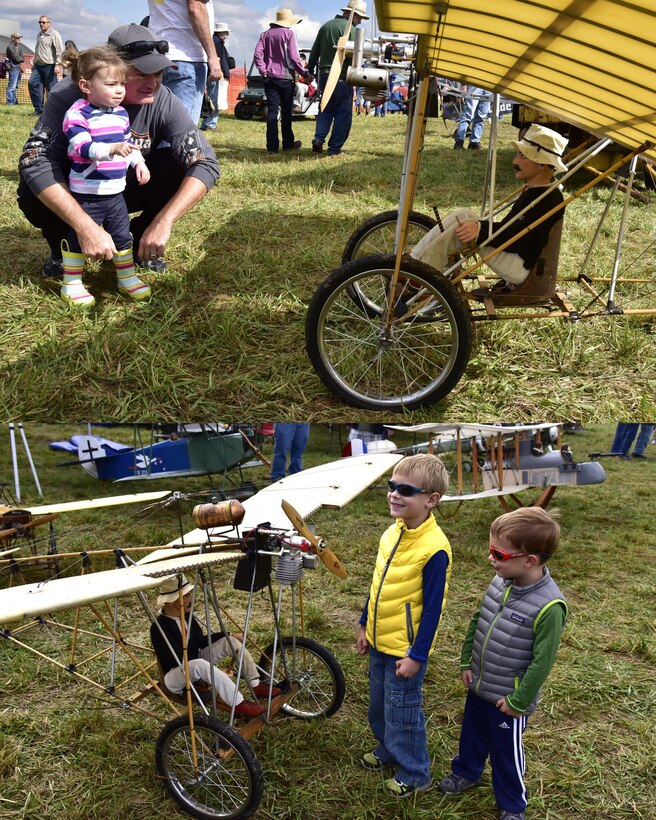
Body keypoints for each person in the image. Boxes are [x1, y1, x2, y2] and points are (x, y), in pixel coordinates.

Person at [17, 23, 220, 279]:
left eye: (158, 73)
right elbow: (34, 160)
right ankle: (63, 247)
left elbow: (205, 162)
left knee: (177, 166)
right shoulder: (68, 96)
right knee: (32, 182)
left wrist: (163, 222)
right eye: (142, 73)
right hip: (80, 185)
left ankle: (138, 245)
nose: (153, 82)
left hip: (121, 187)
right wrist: (85, 226)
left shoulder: (164, 99)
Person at [438, 507, 567, 820]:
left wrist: (519, 701)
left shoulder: (550, 606)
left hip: (507, 698)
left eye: (497, 552)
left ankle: (512, 804)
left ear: (529, 560)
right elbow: (477, 620)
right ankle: (467, 770)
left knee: (505, 751)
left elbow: (542, 662)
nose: (490, 558)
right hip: (481, 682)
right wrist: (466, 660)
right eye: (490, 550)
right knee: (471, 733)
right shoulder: (500, 580)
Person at [357, 454, 452, 797]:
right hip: (380, 641)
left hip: (405, 652)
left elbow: (432, 611)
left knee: (403, 713)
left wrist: (417, 655)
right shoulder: (391, 533)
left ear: (431, 500)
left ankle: (415, 772)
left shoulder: (434, 550)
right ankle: (388, 749)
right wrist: (365, 624)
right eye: (392, 486)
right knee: (380, 706)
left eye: (406, 490)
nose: (395, 494)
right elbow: (378, 584)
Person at [410, 123, 568, 292]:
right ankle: (414, 259)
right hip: (517, 256)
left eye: (522, 156)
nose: (515, 161)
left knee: (461, 229)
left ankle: (419, 276)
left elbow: (517, 237)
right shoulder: (539, 191)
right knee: (464, 214)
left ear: (542, 163)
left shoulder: (547, 198)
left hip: (521, 267)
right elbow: (514, 231)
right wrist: (479, 227)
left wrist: (480, 229)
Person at [59, 46, 151, 307]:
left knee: (123, 235)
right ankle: (72, 281)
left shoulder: (121, 114)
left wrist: (138, 162)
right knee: (79, 237)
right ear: (86, 86)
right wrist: (111, 150)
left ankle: (126, 276)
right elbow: (81, 147)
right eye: (111, 84)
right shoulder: (77, 114)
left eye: (122, 83)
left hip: (115, 192)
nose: (120, 90)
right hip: (86, 193)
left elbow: (127, 143)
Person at [150, 576, 282, 718]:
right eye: (185, 596)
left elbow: (200, 641)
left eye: (190, 595)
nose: (190, 600)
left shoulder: (188, 616)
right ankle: (239, 703)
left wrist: (229, 634)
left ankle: (255, 685)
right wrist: (213, 675)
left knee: (231, 642)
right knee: (199, 664)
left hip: (195, 664)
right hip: (175, 676)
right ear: (170, 601)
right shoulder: (158, 628)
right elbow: (175, 660)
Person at [307, 0, 369, 157]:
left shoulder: (326, 26)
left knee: (325, 108)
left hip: (324, 75)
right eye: (360, 17)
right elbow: (357, 58)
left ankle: (318, 138)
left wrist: (309, 71)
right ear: (353, 15)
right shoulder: (354, 32)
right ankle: (334, 148)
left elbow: (315, 51)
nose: (360, 21)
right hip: (342, 76)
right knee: (343, 113)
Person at [148, 0, 221, 124]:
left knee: (158, 124)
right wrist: (213, 56)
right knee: (182, 130)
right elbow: (195, 7)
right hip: (186, 57)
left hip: (157, 55)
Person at [253, 8, 311, 154]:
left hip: (269, 78)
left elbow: (257, 55)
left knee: (272, 112)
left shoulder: (264, 34)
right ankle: (287, 144)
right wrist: (304, 73)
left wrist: (263, 71)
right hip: (286, 78)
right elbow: (294, 57)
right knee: (286, 112)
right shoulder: (288, 33)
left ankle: (272, 147)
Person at [28, 16, 64, 115]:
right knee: (32, 83)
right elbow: (37, 50)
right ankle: (38, 109)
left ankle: (52, 111)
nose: (41, 24)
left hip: (50, 66)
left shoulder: (54, 34)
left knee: (51, 89)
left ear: (49, 23)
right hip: (38, 66)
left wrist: (57, 64)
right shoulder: (39, 34)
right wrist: (34, 64)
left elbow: (60, 50)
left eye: (43, 22)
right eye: (39, 22)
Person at [200, 22, 233, 131]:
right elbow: (218, 60)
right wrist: (222, 74)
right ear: (222, 32)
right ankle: (210, 124)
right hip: (215, 74)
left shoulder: (213, 40)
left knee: (209, 99)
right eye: (226, 32)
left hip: (209, 73)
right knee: (215, 99)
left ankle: (206, 123)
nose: (227, 35)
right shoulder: (218, 43)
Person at [454, 86, 492, 150]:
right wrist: (464, 85)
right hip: (474, 85)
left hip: (488, 87)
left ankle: (474, 142)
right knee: (467, 115)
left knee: (481, 117)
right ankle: (459, 142)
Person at [5, 33, 25, 106]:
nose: (19, 39)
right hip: (13, 68)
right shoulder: (10, 47)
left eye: (19, 37)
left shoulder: (19, 47)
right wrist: (19, 58)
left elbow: (22, 58)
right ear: (13, 38)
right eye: (17, 38)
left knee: (15, 86)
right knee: (11, 87)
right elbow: (16, 58)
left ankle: (14, 102)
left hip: (18, 68)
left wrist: (19, 58)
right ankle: (10, 102)